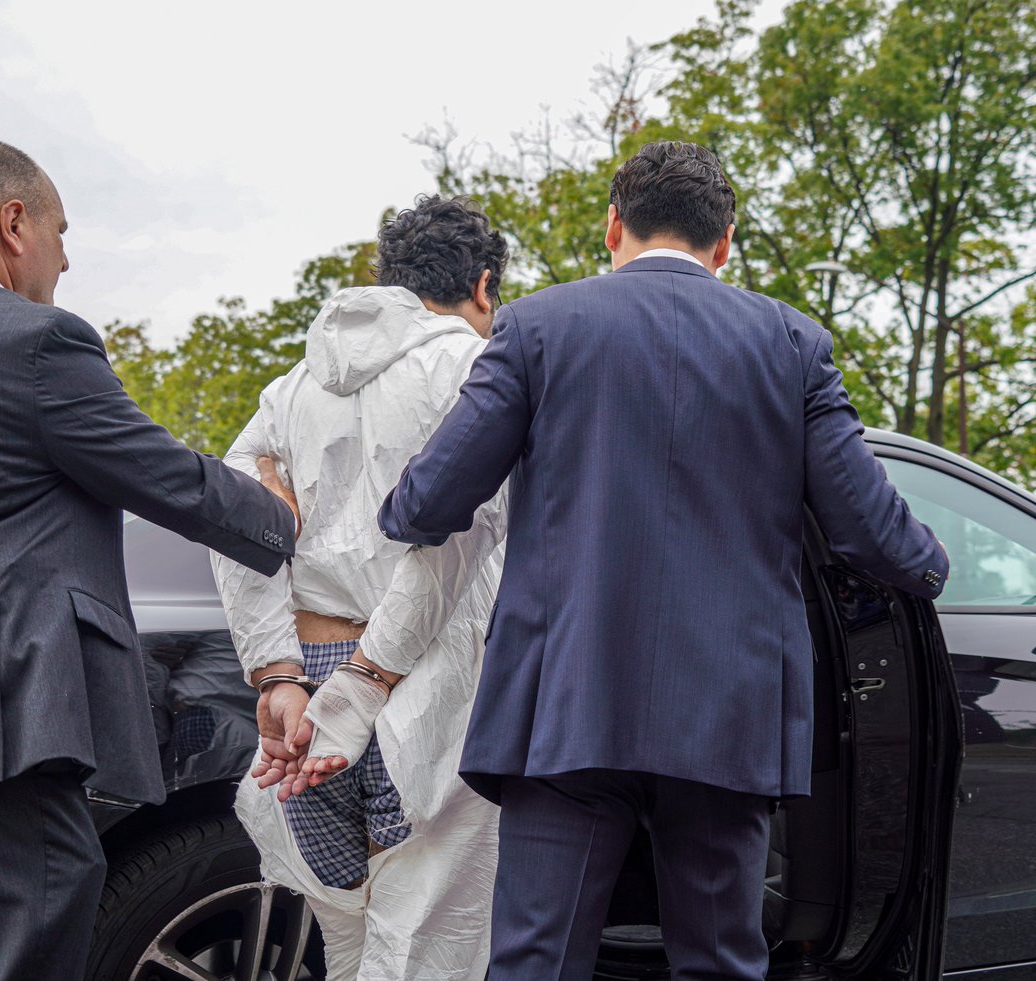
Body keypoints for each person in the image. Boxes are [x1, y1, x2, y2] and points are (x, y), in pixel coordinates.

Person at [378, 141, 949, 980]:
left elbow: (428, 503)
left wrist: (391, 503)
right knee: (720, 961)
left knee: (537, 960)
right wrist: (934, 567)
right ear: (725, 243)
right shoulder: (794, 342)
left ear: (614, 227)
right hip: (729, 712)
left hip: (565, 707)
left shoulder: (537, 324)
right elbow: (867, 525)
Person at [0, 140, 297, 981]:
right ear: (13, 224)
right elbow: (170, 479)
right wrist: (282, 516)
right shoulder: (34, 342)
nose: (66, 255)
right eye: (59, 229)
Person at [212, 195, 509, 980]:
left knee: (342, 939)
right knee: (427, 938)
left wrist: (274, 667)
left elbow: (238, 531)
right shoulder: (474, 371)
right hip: (421, 682)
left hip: (305, 684)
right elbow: (462, 538)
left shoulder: (291, 389)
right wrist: (369, 679)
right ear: (483, 287)